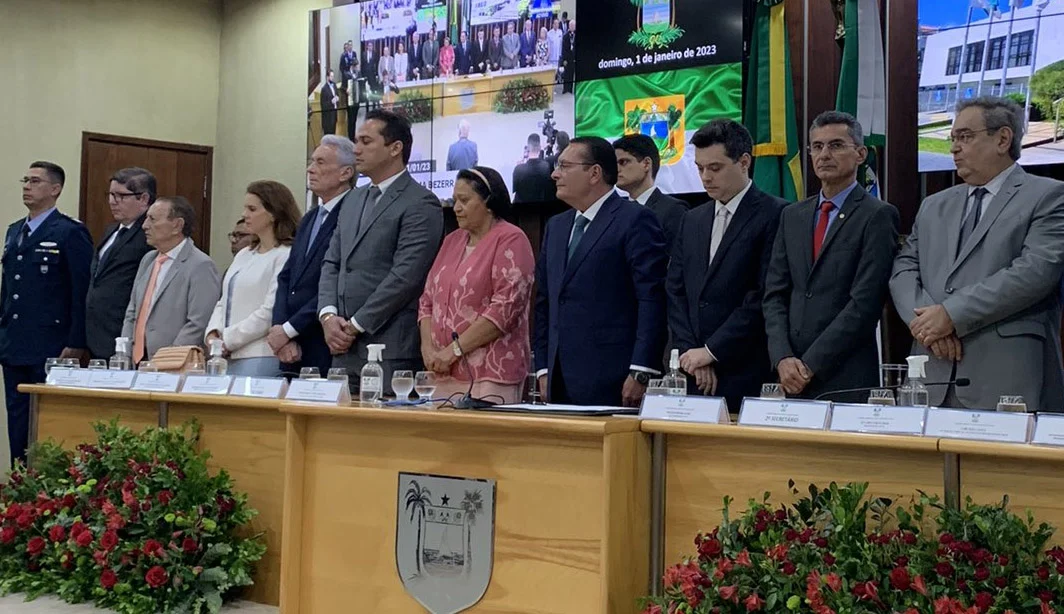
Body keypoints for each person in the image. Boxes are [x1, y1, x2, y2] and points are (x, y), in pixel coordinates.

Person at [891, 96, 1064, 411]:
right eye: (953, 138)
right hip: (930, 377)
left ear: (1002, 139)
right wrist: (928, 325)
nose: (954, 148)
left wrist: (952, 315)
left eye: (965, 137)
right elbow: (903, 268)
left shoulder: (1048, 196)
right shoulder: (933, 205)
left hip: (1005, 382)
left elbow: (1035, 272)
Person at [763, 111, 899, 401]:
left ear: (860, 154)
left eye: (836, 145)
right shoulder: (792, 215)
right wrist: (783, 357)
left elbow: (865, 304)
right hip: (788, 374)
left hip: (844, 374)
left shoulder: (877, 215)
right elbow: (774, 294)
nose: (824, 154)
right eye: (817, 146)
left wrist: (810, 365)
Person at [533, 137, 668, 407]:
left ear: (594, 173)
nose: (554, 174)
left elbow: (652, 299)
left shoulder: (634, 219)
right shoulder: (556, 226)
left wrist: (641, 370)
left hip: (615, 379)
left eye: (564, 166)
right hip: (558, 379)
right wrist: (543, 369)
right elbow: (544, 301)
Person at [318, 110, 444, 394]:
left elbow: (406, 277)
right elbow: (332, 262)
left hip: (388, 348)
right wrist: (328, 317)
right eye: (356, 141)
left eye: (365, 141)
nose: (356, 150)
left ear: (395, 148)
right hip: (340, 347)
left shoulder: (420, 202)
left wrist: (355, 325)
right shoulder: (353, 199)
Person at [666, 120, 787, 411]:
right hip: (692, 372)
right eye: (700, 168)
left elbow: (763, 295)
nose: (705, 177)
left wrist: (711, 351)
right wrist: (693, 355)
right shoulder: (692, 219)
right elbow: (675, 290)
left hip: (745, 369)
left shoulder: (777, 214)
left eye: (715, 168)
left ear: (744, 162)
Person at [0, 161, 92, 465]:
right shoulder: (15, 230)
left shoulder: (69, 232)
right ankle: (19, 479)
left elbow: (81, 290)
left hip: (52, 344)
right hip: (15, 342)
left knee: (48, 422)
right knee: (17, 420)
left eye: (35, 181)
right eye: (25, 180)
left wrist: (77, 340)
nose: (27, 186)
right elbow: (9, 287)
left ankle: (44, 484)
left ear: (55, 189)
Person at [418, 166, 535, 403]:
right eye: (454, 200)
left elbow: (505, 309)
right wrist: (428, 349)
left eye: (464, 200)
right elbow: (427, 301)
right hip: (440, 372)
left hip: (490, 374)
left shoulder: (511, 239)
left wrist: (453, 351)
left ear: (489, 203)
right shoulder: (451, 241)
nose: (456, 208)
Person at [270, 135, 355, 376]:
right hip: (292, 346)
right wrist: (281, 330)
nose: (310, 169)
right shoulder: (309, 218)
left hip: (325, 342)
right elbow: (287, 278)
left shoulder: (353, 214)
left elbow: (336, 282)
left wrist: (290, 329)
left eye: (320, 162)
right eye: (311, 161)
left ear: (345, 173)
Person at [207, 181, 299, 377]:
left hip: (259, 354)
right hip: (225, 354)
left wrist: (228, 340)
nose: (244, 215)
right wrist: (213, 333)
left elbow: (269, 310)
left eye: (252, 209)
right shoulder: (245, 254)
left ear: (273, 213)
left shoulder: (285, 255)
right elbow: (224, 300)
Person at [121, 196, 221, 366]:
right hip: (137, 361)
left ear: (177, 225)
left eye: (152, 219)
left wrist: (168, 358)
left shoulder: (200, 265)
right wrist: (125, 352)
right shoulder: (148, 260)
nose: (144, 225)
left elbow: (199, 322)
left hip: (175, 364)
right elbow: (132, 312)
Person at [86, 167, 154, 361]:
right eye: (110, 195)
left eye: (121, 196)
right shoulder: (112, 230)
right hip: (96, 333)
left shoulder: (148, 235)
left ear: (143, 199)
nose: (112, 201)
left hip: (124, 333)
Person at [613, 134, 687, 252]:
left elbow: (677, 257)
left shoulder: (672, 210)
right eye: (614, 164)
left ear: (646, 164)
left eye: (623, 162)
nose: (616, 169)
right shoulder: (614, 211)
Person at [512, 133, 555, 203]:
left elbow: (515, 191)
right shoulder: (546, 167)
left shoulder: (518, 169)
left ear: (527, 148)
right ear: (539, 147)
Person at [321, 70, 339, 136]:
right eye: (331, 76)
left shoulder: (334, 85)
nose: (332, 78)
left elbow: (337, 94)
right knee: (328, 136)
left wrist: (337, 98)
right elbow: (323, 105)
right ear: (327, 77)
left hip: (334, 113)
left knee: (333, 134)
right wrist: (331, 102)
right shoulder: (324, 89)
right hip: (328, 117)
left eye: (333, 76)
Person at [560, 20, 576, 93]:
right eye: (571, 25)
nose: (572, 27)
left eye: (573, 25)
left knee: (572, 74)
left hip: (574, 58)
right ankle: (565, 89)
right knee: (566, 74)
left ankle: (570, 89)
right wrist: (564, 59)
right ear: (569, 26)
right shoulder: (565, 36)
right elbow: (563, 49)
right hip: (567, 58)